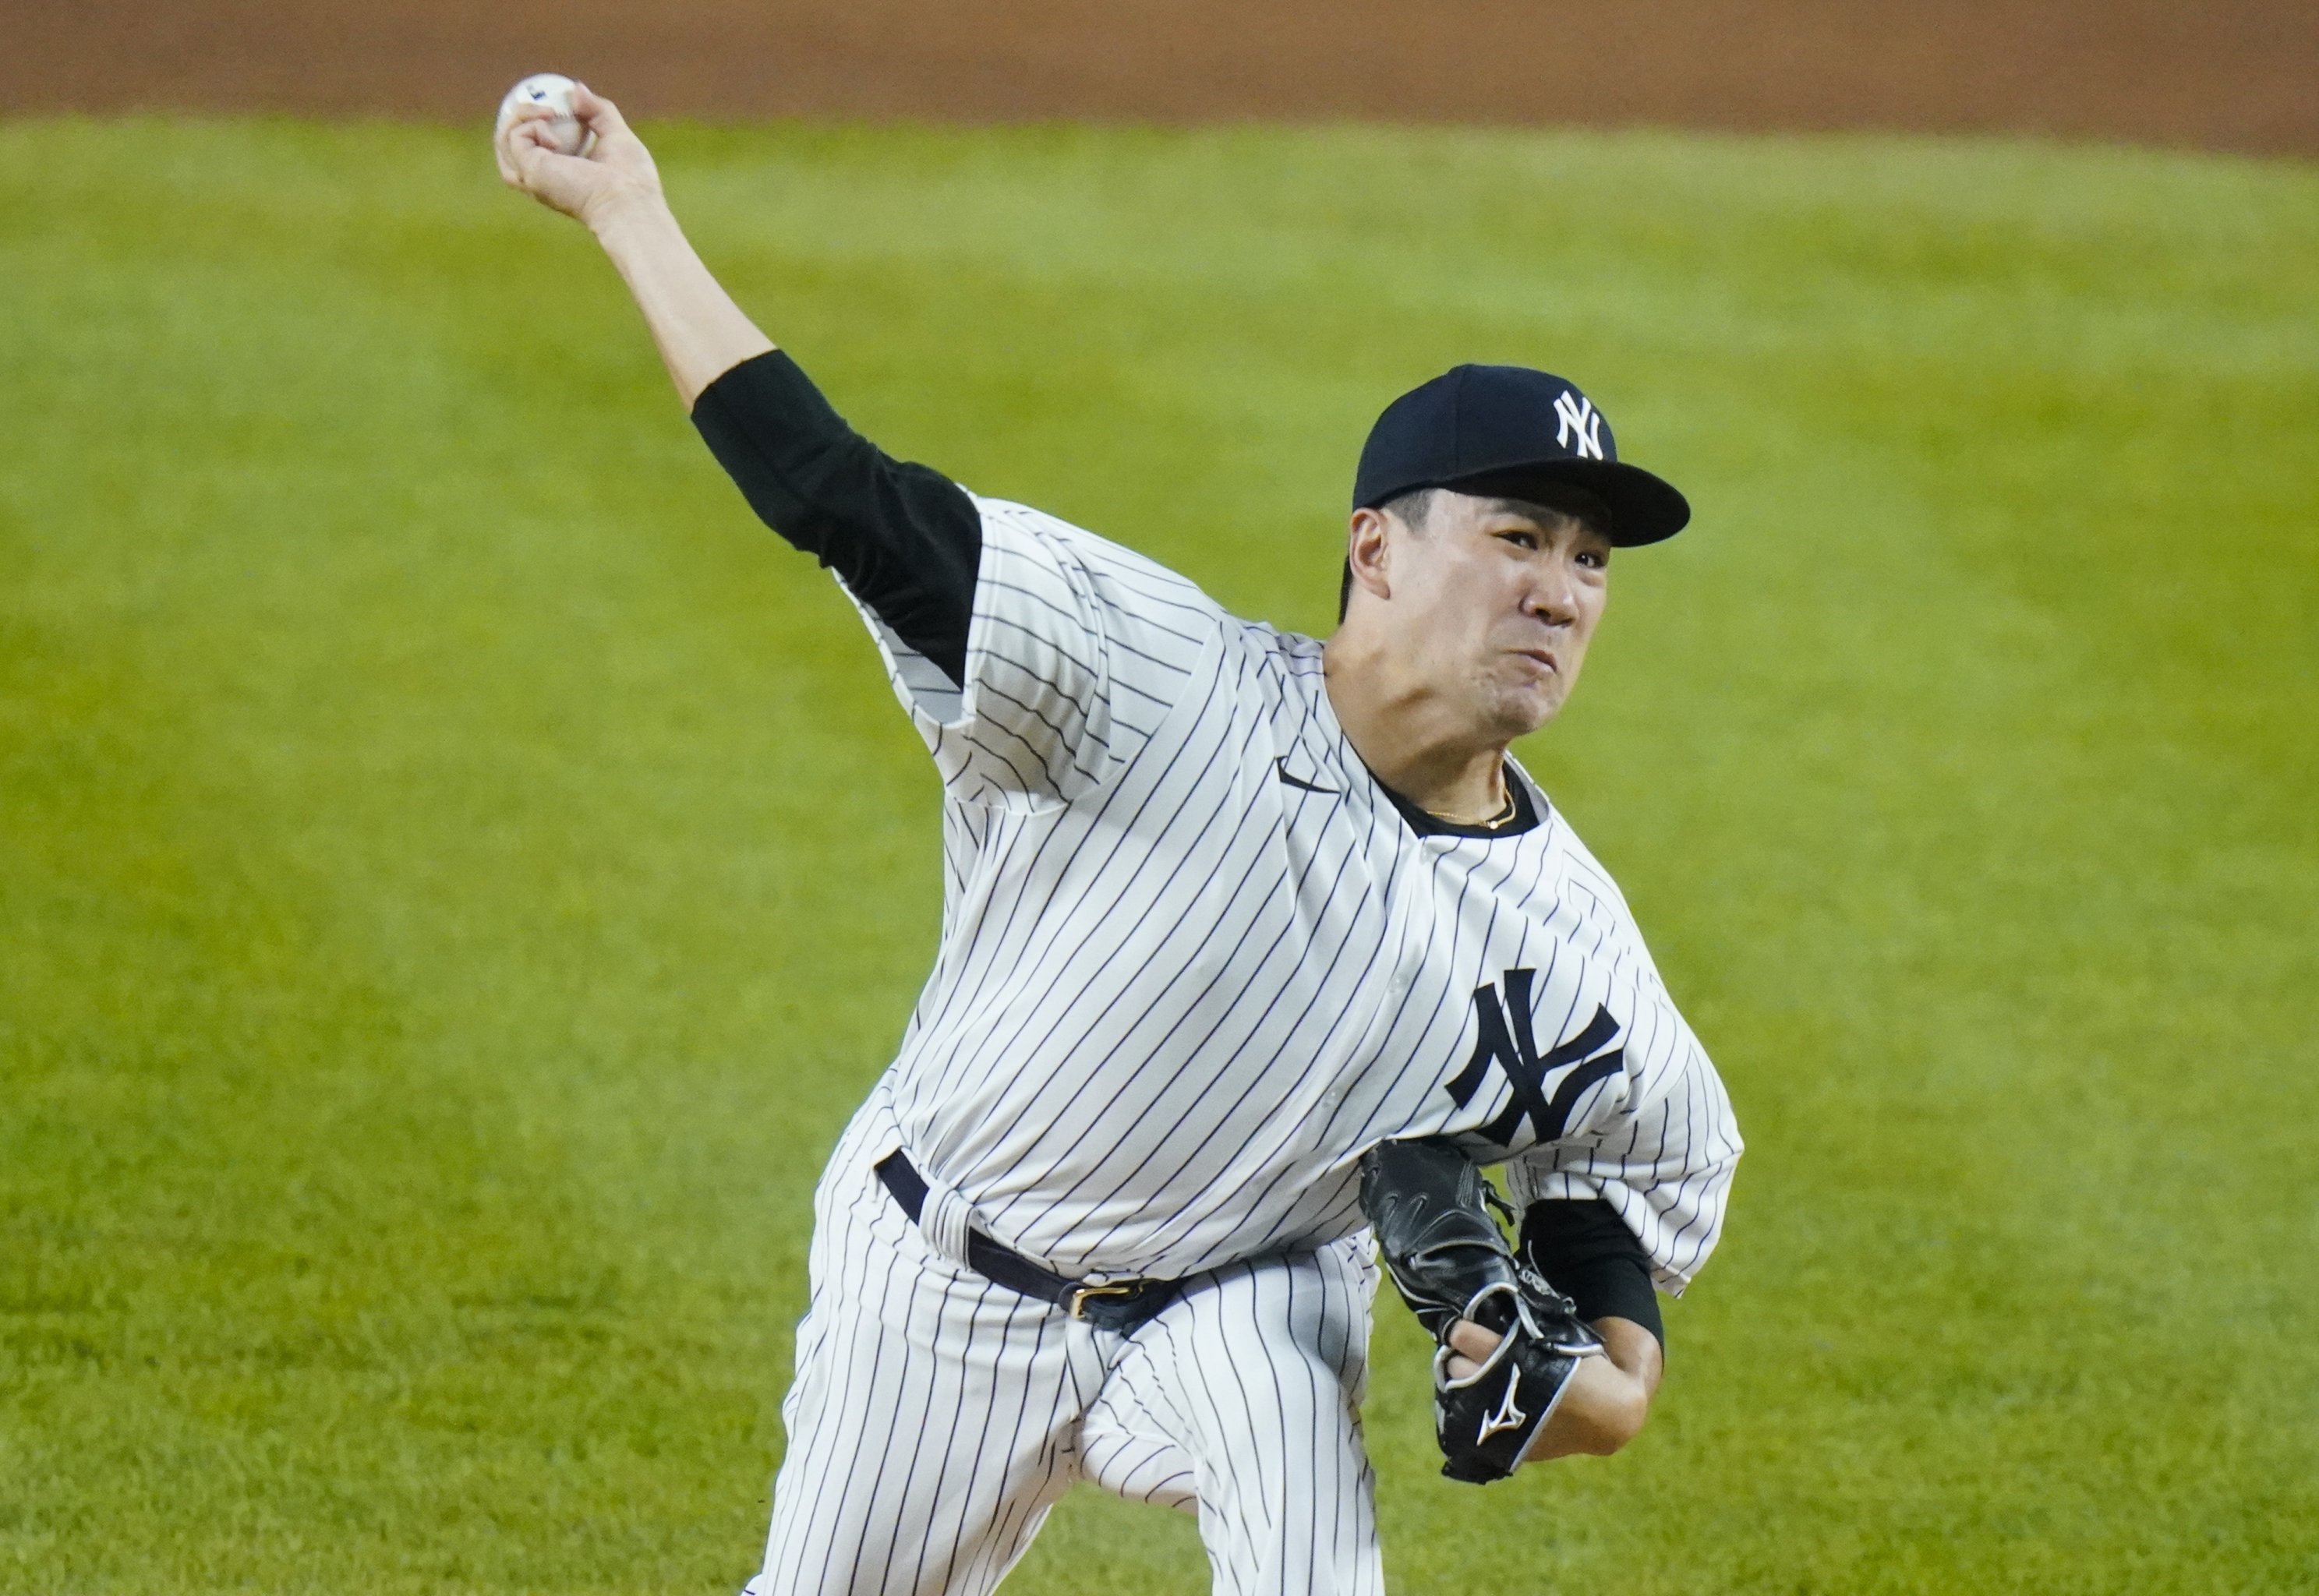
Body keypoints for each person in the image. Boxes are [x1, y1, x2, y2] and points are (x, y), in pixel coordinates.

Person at [497, 85, 1741, 1596]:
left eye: (1594, 561)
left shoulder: (1568, 945)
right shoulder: (1147, 680)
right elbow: (840, 495)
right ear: (1376, 548)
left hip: (1237, 1304)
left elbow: (1614, 1214)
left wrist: (1583, 1388)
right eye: (1519, 537)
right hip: (939, 1270)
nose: (1562, 592)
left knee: (1303, 1508)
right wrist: (629, 210)